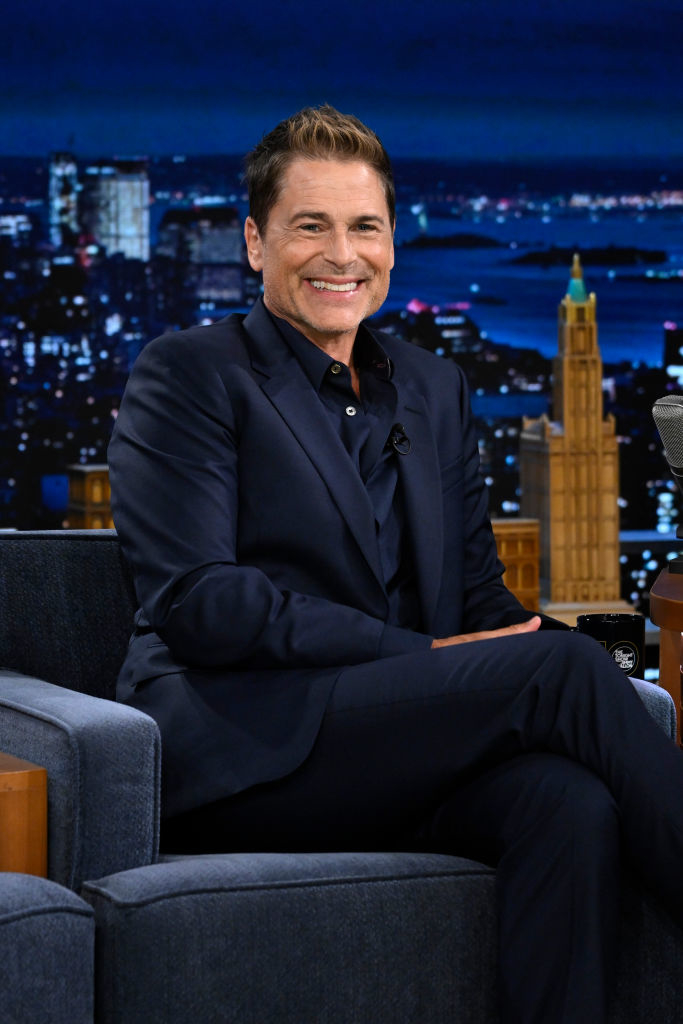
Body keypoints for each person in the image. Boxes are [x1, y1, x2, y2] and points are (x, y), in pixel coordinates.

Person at [108, 105, 683, 1023]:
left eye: (363, 226)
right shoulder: (188, 374)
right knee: (567, 668)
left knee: (569, 804)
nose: (342, 253)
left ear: (390, 244)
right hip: (245, 745)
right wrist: (416, 656)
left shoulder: (429, 385)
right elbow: (196, 600)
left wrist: (491, 644)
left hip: (402, 743)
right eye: (310, 226)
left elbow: (475, 592)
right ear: (255, 243)